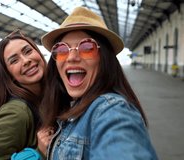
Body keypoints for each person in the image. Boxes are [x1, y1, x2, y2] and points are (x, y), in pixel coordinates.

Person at [37, 6, 159, 159]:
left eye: (87, 47)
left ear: (105, 59)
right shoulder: (71, 110)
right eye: (62, 49)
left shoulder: (113, 111)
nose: (71, 57)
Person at [0, 29, 47, 160]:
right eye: (14, 60)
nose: (26, 60)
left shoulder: (49, 97)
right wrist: (39, 153)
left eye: (28, 51)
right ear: (9, 75)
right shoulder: (15, 114)